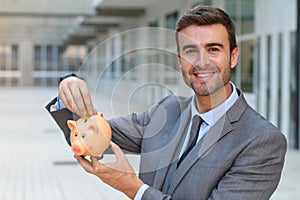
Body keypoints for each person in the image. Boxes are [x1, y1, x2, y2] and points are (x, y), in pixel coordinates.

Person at [46, 5, 287, 200]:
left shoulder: (261, 141)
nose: (202, 62)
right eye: (191, 51)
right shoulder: (167, 110)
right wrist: (68, 87)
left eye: (213, 49)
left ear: (233, 56)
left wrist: (134, 189)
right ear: (180, 59)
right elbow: (92, 135)